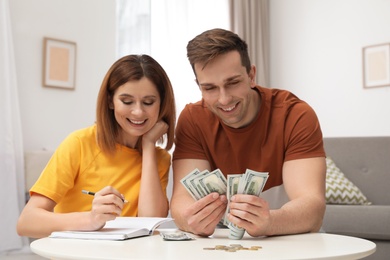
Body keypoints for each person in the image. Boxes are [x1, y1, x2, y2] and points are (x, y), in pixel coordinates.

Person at [170, 28, 326, 237]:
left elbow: (312, 207)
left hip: (289, 237)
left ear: (251, 75)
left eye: (232, 83)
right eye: (210, 88)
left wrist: (270, 222)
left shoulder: (295, 114)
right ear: (199, 86)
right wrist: (191, 221)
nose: (224, 99)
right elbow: (182, 199)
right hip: (220, 241)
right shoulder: (192, 119)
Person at [17, 54, 176, 238]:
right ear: (110, 101)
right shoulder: (79, 144)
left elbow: (150, 221)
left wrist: (148, 145)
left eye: (148, 102)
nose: (138, 111)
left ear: (161, 103)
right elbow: (27, 222)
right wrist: (91, 219)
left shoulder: (159, 159)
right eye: (127, 101)